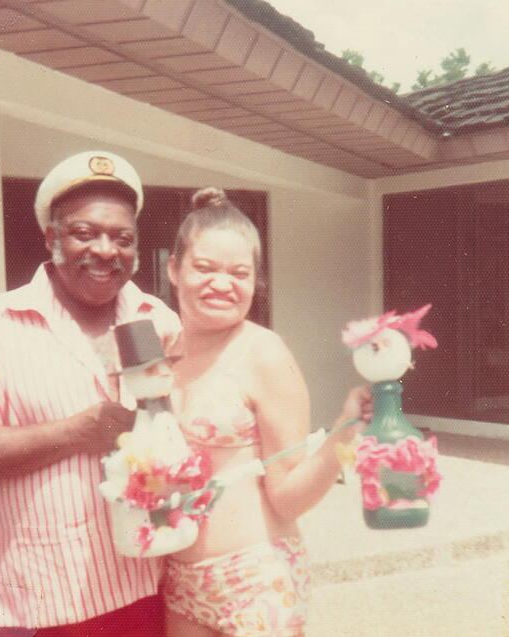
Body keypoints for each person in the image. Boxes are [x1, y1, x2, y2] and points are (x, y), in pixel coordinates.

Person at [0, 150, 180, 636]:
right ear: (52, 238)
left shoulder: (159, 320)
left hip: (147, 585)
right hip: (38, 599)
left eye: (122, 238)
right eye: (85, 233)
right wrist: (74, 434)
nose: (106, 250)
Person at [163, 188, 372, 637]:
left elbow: (287, 496)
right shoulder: (161, 353)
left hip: (255, 577)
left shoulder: (264, 354)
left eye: (240, 273)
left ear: (256, 281)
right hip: (178, 581)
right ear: (173, 270)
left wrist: (341, 433)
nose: (223, 283)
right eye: (204, 268)